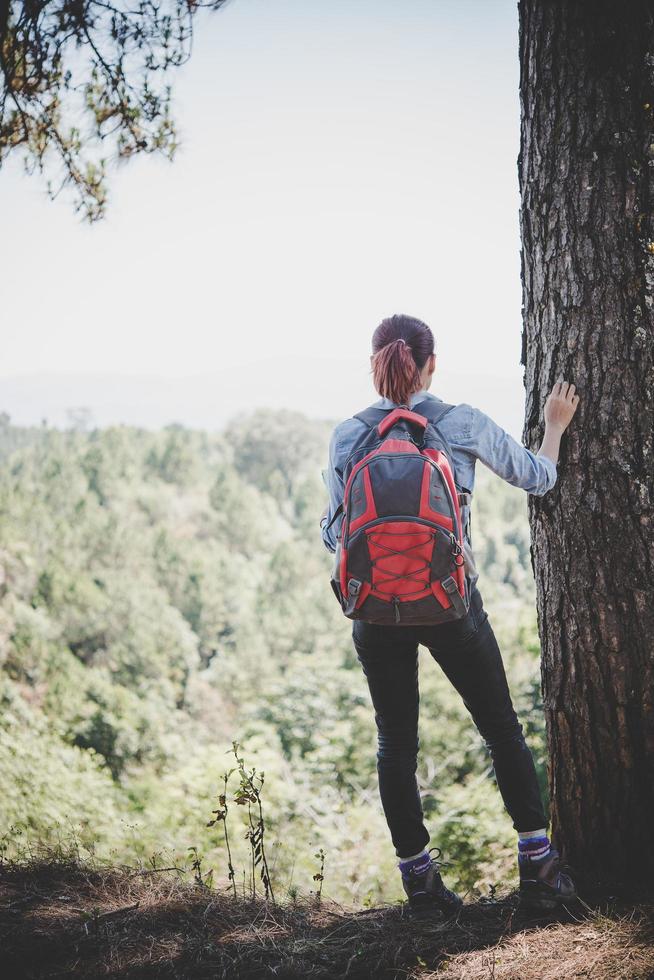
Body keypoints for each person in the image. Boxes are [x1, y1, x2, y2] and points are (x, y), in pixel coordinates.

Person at [319, 313, 580, 915]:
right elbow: (539, 478)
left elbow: (336, 535)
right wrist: (554, 427)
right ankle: (539, 864)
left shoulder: (347, 435)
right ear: (431, 364)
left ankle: (421, 886)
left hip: (375, 613)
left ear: (376, 364)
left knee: (395, 745)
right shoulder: (458, 421)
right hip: (450, 605)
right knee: (500, 729)